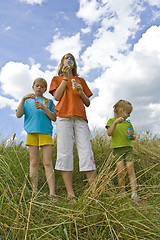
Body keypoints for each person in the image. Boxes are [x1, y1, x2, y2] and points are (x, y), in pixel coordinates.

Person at [49, 53, 96, 199]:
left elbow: (87, 103)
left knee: (86, 151)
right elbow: (57, 97)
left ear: (74, 63)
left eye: (71, 59)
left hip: (80, 118)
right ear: (62, 62)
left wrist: (81, 92)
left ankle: (95, 190)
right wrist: (65, 77)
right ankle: (70, 194)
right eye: (66, 58)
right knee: (65, 153)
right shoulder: (56, 79)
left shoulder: (80, 80)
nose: (69, 60)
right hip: (63, 118)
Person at [16, 77, 57, 199]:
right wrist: (23, 99)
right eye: (37, 85)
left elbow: (54, 118)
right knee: (33, 162)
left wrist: (44, 108)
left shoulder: (48, 102)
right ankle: (34, 191)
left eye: (42, 86)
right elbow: (18, 115)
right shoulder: (27, 101)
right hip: (32, 133)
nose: (39, 88)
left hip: (45, 133)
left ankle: (52, 192)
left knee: (47, 162)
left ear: (45, 89)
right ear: (33, 87)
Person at [106, 100, 139, 204]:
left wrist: (132, 135)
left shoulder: (128, 123)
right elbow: (109, 133)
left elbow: (132, 137)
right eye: (127, 113)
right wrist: (115, 123)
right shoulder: (111, 121)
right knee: (121, 172)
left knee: (130, 171)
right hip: (118, 150)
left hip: (128, 149)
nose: (129, 115)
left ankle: (134, 194)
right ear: (120, 110)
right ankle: (122, 192)